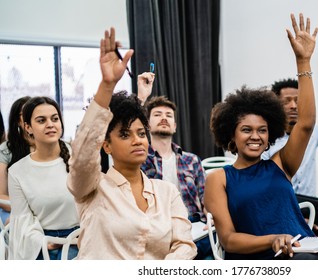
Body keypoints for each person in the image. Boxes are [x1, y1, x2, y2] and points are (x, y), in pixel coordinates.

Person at [205, 13, 318, 260]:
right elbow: (229, 240)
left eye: (262, 130)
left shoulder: (280, 164)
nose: (256, 136)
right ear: (231, 135)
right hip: (261, 259)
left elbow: (306, 123)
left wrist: (303, 61)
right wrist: (273, 240)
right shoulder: (218, 179)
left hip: (304, 251)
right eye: (246, 130)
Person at [67, 27, 197, 260]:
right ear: (106, 145)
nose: (137, 140)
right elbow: (83, 154)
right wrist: (107, 86)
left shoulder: (166, 193)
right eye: (125, 135)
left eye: (141, 133)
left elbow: (184, 245)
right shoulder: (92, 188)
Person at [8, 96, 79, 260]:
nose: (50, 124)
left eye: (55, 119)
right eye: (41, 120)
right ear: (28, 127)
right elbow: (22, 222)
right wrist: (45, 243)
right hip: (44, 244)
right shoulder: (17, 172)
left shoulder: (78, 157)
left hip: (82, 239)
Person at [140, 95, 210, 259]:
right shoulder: (140, 161)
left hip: (194, 226)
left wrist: (211, 218)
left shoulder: (191, 160)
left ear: (175, 126)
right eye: (157, 114)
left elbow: (206, 197)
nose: (164, 118)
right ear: (147, 125)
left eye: (169, 115)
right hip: (157, 229)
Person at [0, 96, 35, 226]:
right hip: (13, 209)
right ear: (18, 121)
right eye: (25, 113)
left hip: (45, 210)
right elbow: (1, 195)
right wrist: (29, 208)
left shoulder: (51, 147)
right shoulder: (5, 150)